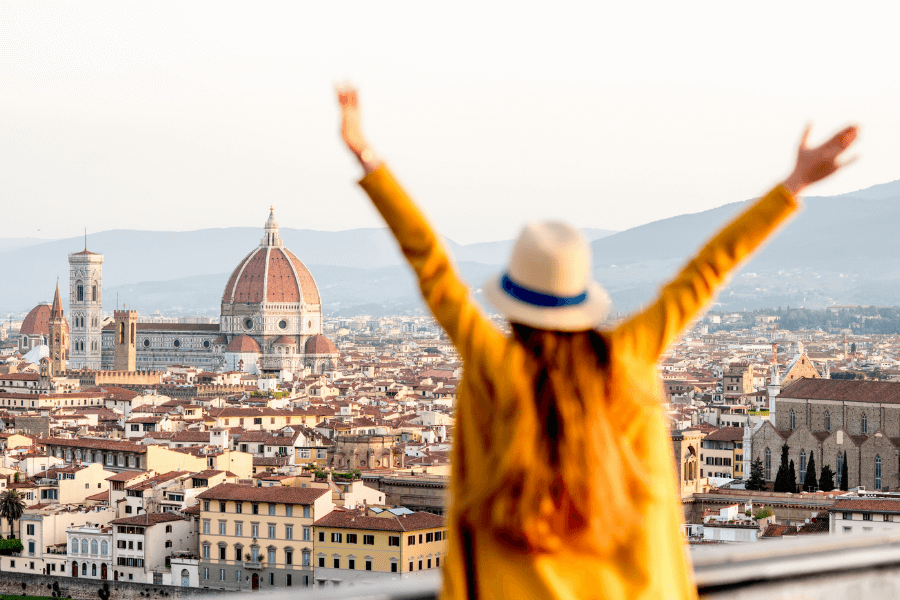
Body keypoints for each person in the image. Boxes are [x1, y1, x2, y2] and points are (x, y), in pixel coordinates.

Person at [336, 85, 857, 600]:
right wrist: (792, 185)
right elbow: (705, 273)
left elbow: (432, 267)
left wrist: (368, 158)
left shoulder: (496, 365)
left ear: (514, 308)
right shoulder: (626, 359)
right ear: (581, 300)